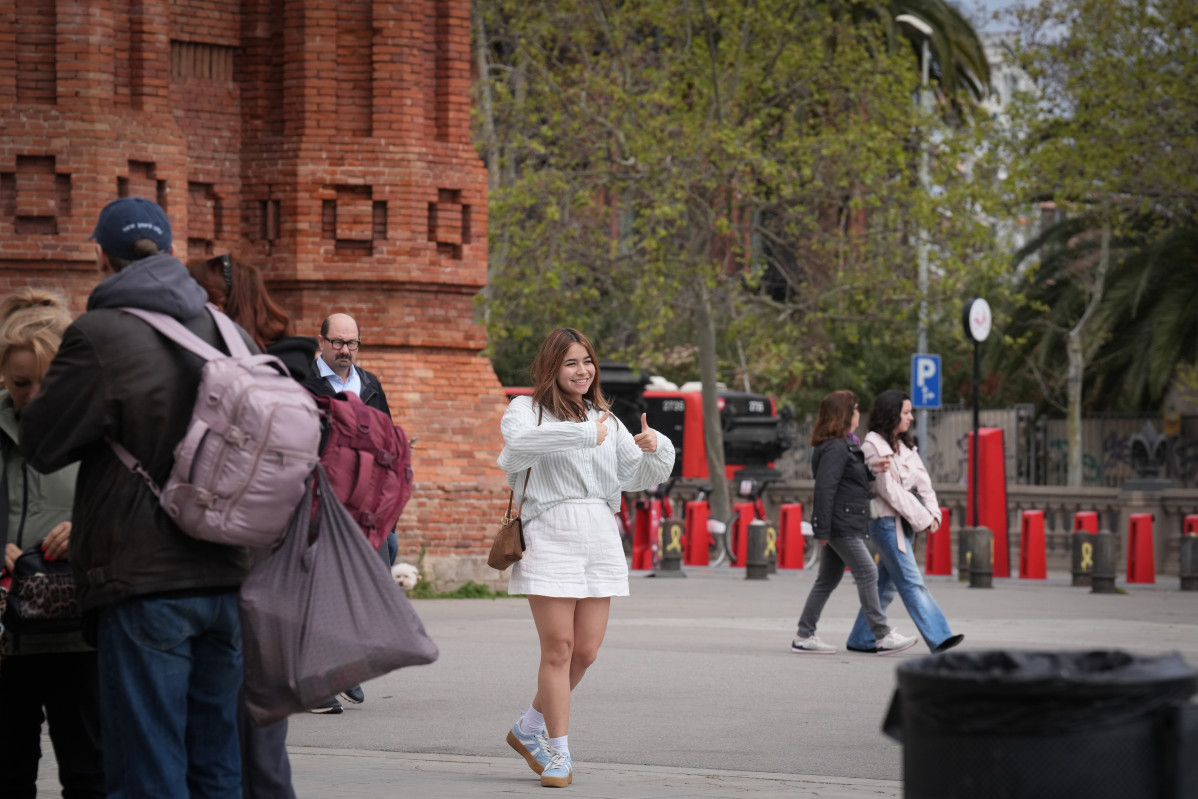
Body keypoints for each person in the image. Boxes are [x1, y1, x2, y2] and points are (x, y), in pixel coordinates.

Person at [21, 196, 254, 798]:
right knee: (218, 765)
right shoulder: (229, 331)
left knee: (146, 768)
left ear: (102, 256)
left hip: (144, 584)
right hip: (228, 577)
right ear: (172, 252)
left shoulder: (100, 334)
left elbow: (43, 443)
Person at [498, 328, 674, 788]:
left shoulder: (607, 419)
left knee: (588, 651)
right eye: (571, 362)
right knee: (558, 648)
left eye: (587, 361)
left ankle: (529, 726)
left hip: (599, 534)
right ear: (552, 367)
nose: (582, 370)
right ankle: (559, 752)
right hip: (551, 531)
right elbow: (514, 452)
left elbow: (631, 477)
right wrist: (581, 434)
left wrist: (656, 450)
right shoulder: (525, 410)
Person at [188, 253, 306, 798]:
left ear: (219, 301)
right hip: (280, 555)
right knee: (261, 711)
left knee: (230, 707)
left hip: (228, 551)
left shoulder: (223, 366)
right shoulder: (292, 364)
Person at [0, 289, 105, 797]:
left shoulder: (104, 428)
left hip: (79, 633)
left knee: (88, 773)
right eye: (21, 383)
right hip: (5, 635)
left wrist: (85, 531)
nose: (34, 395)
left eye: (48, 381)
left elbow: (139, 516)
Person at [301, 311, 393, 713]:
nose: (345, 351)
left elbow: (387, 435)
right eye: (337, 342)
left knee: (372, 575)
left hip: (364, 504)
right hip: (316, 500)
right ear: (320, 341)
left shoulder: (369, 384)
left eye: (352, 343)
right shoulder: (302, 382)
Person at [791, 390, 917, 656]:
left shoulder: (844, 445)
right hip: (840, 524)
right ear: (845, 414)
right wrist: (822, 529)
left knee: (826, 580)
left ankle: (804, 635)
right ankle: (882, 636)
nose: (860, 413)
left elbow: (848, 478)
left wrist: (872, 469)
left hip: (842, 521)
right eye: (856, 409)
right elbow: (825, 489)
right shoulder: (836, 448)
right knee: (868, 573)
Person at [845, 390, 964, 654]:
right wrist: (924, 519)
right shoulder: (873, 445)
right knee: (912, 581)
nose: (911, 417)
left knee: (885, 586)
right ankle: (940, 637)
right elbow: (889, 492)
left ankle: (861, 638)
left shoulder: (905, 444)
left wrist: (934, 515)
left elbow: (925, 484)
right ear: (891, 414)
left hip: (907, 524)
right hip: (886, 524)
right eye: (906, 412)